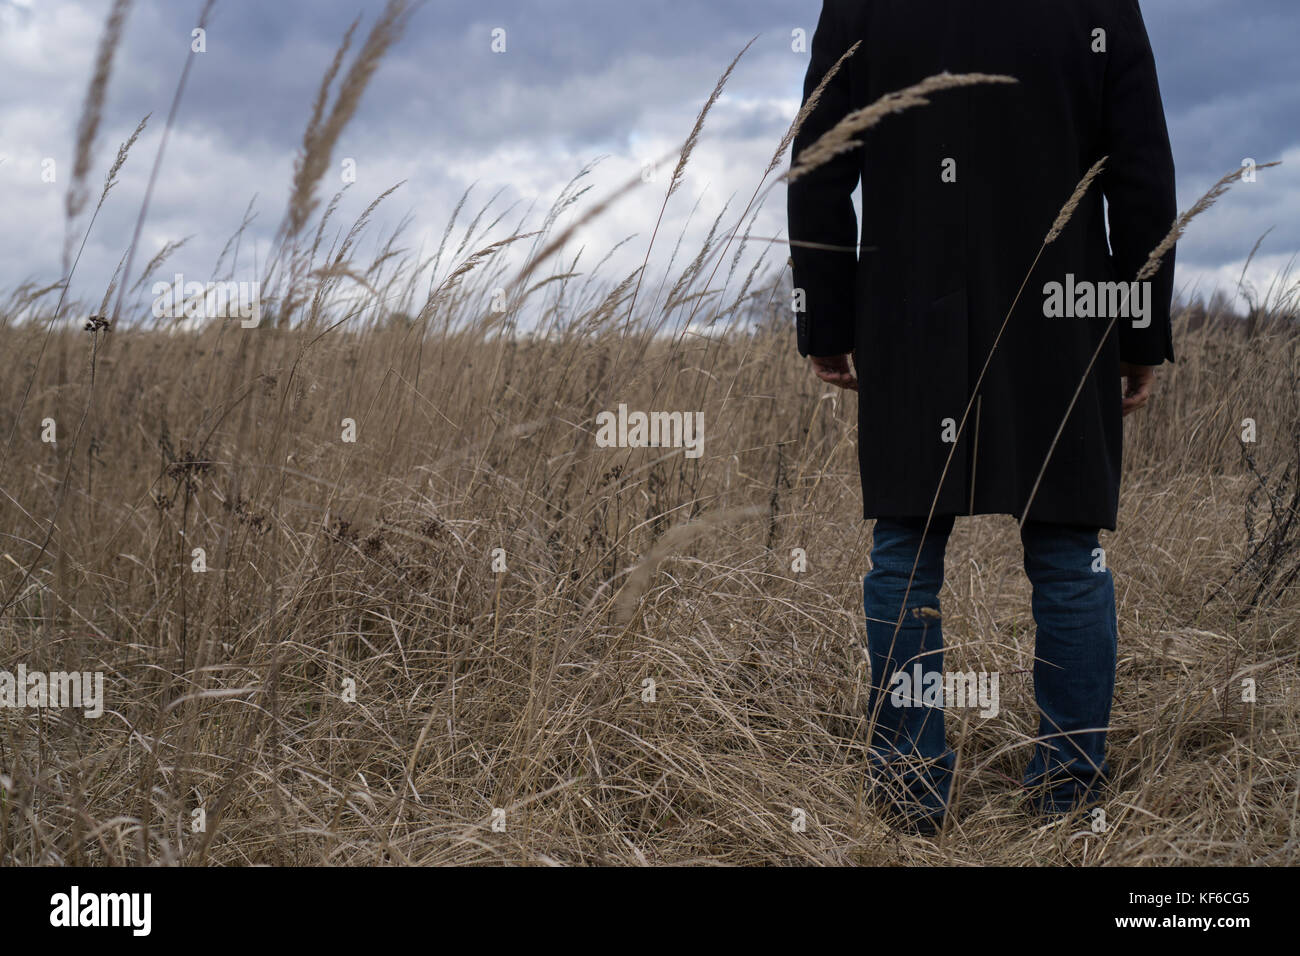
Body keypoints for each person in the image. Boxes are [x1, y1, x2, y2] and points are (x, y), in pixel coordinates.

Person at [787, 0, 1177, 832]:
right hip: (1065, 313)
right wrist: (1139, 327)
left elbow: (819, 167)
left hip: (909, 312)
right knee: (1070, 555)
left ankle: (907, 794)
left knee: (905, 549)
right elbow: (1140, 172)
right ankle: (1070, 798)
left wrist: (826, 318)